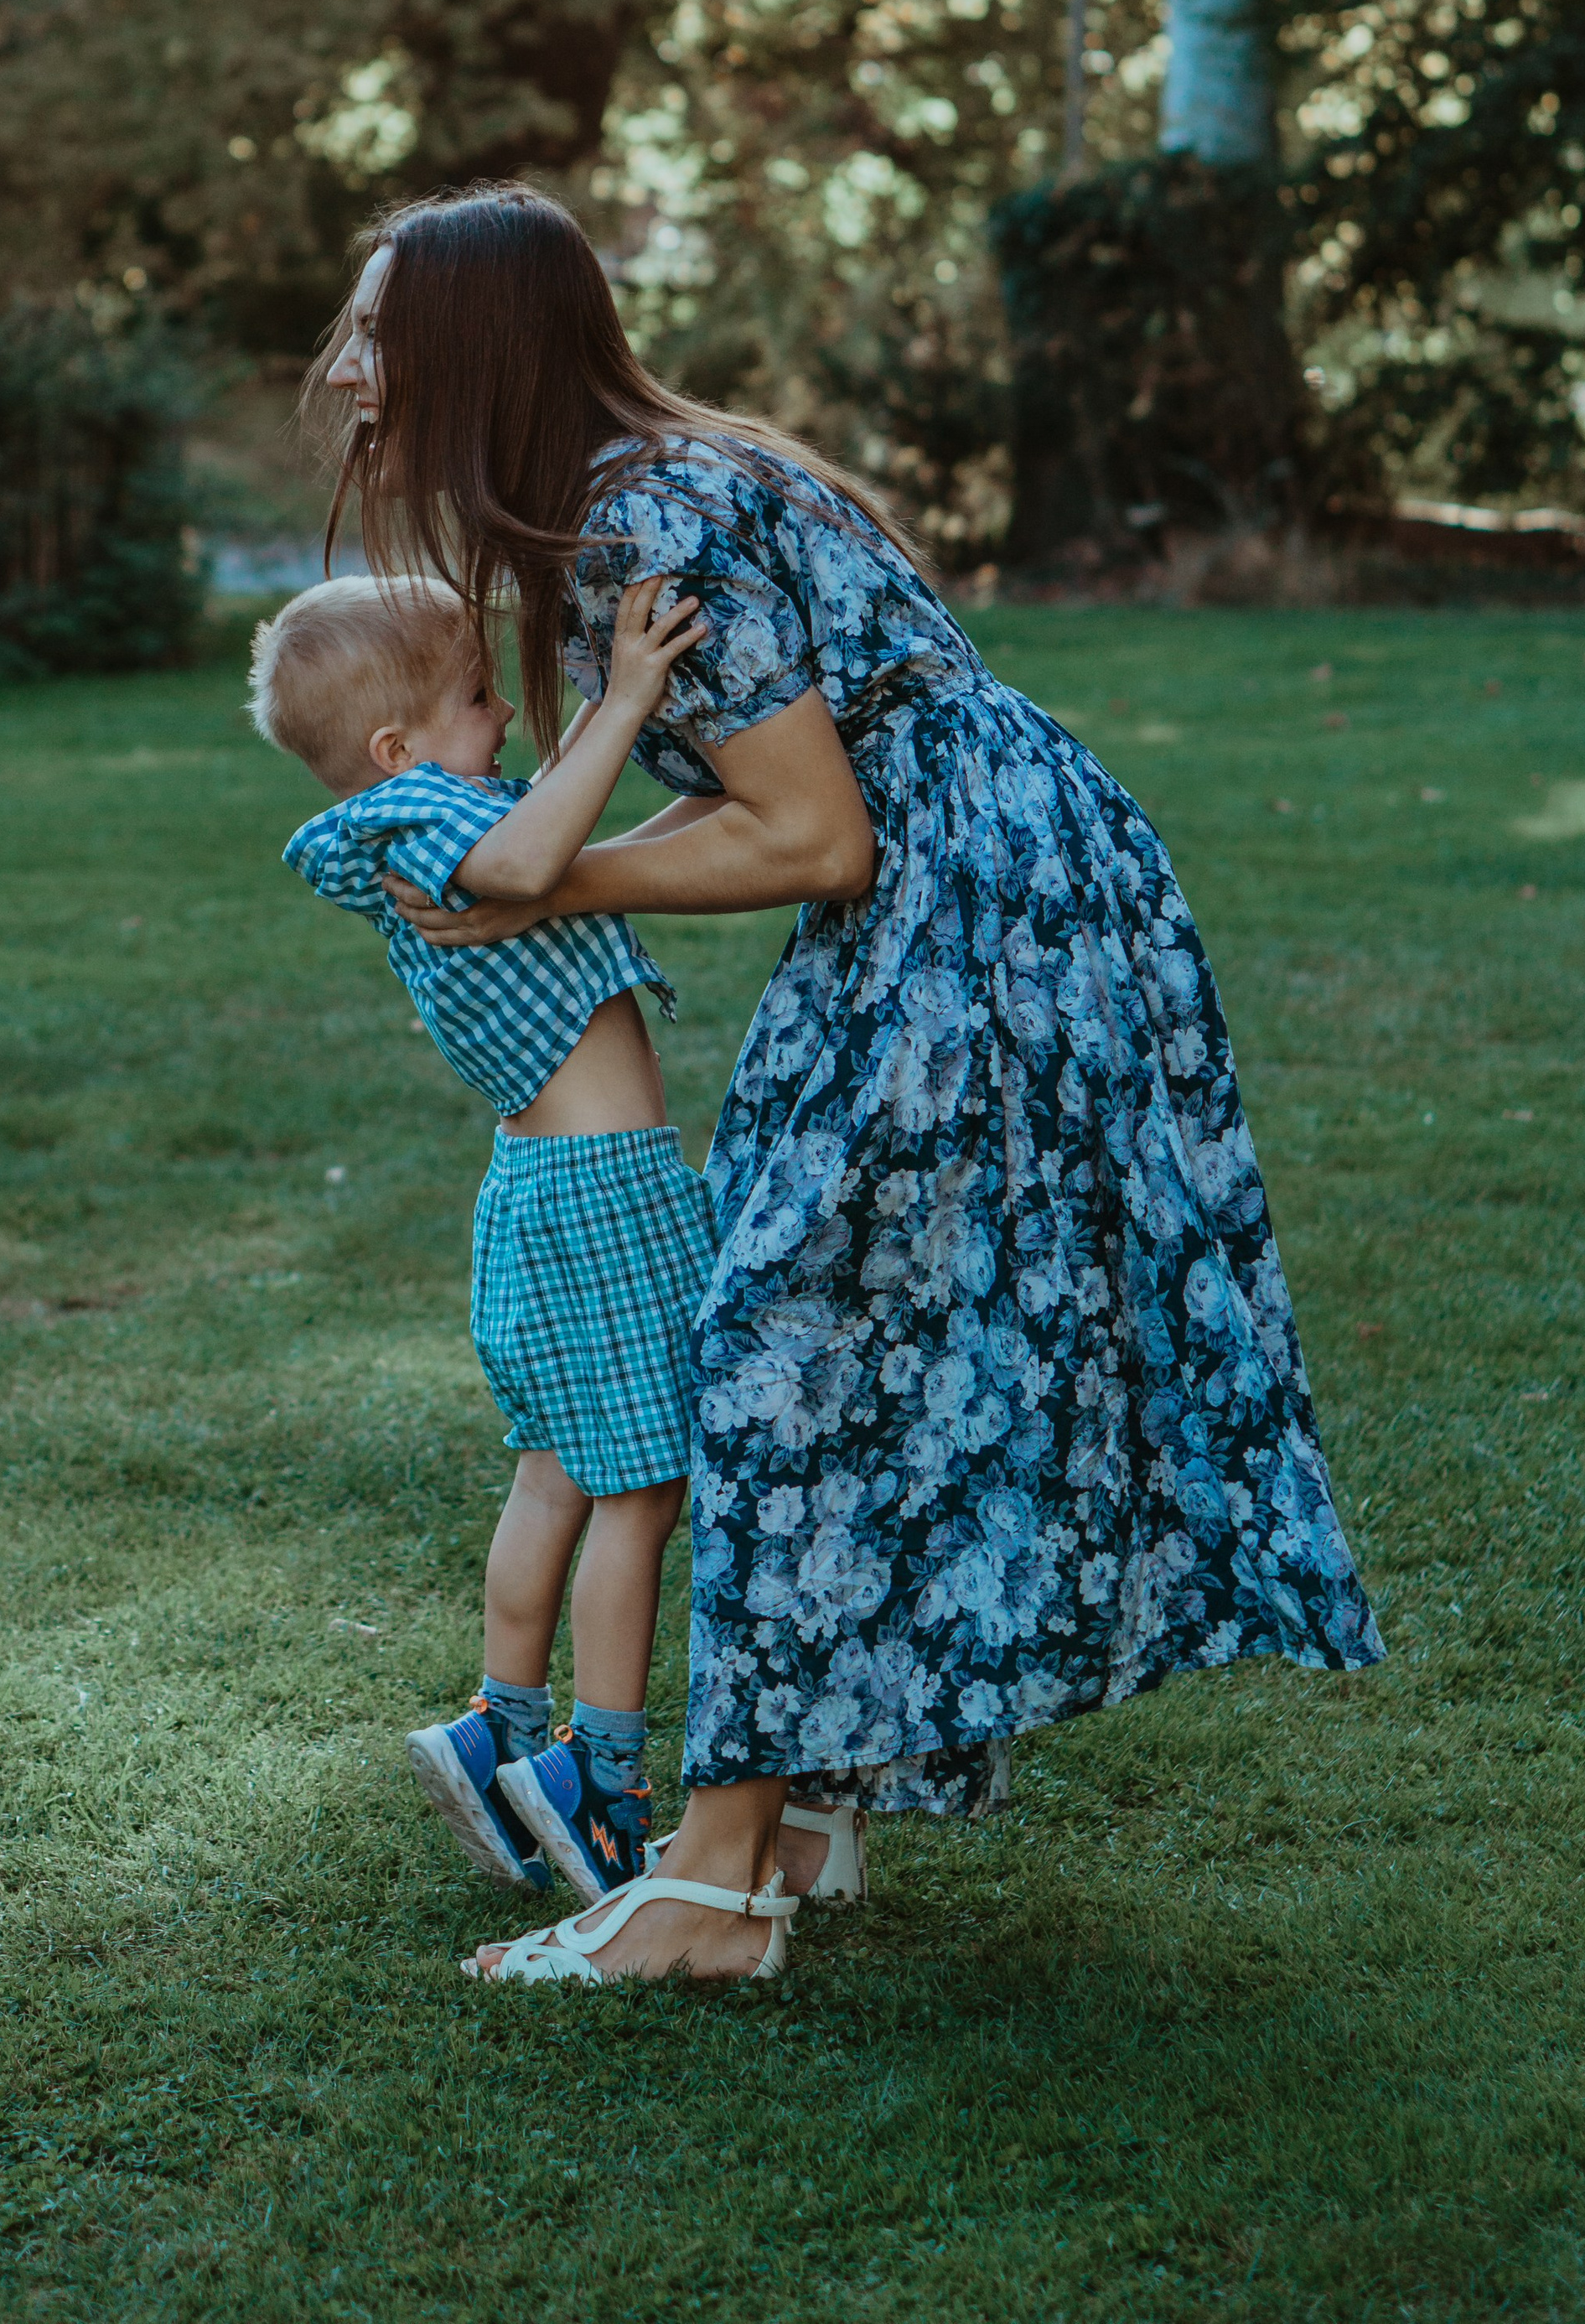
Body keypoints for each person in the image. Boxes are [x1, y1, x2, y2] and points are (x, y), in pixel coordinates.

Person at [313, 183, 1386, 1990]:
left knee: (777, 1349)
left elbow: (810, 834)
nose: (345, 365)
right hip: (992, 886)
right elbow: (770, 790)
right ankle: (794, 1821)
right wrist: (554, 851)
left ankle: (712, 1892)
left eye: (372, 330)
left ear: (467, 350)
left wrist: (539, 876)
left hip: (968, 914)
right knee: (845, 1334)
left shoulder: (641, 516)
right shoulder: (651, 476)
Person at [251, 561, 716, 1904]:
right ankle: (601, 1782)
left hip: (543, 1192)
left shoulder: (421, 809)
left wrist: (626, 728)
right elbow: (527, 855)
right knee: (642, 1485)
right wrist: (628, 691)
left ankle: (502, 1732)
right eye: (476, 696)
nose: (505, 714)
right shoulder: (420, 820)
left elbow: (554, 823)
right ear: (396, 748)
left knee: (558, 1471)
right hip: (606, 1193)